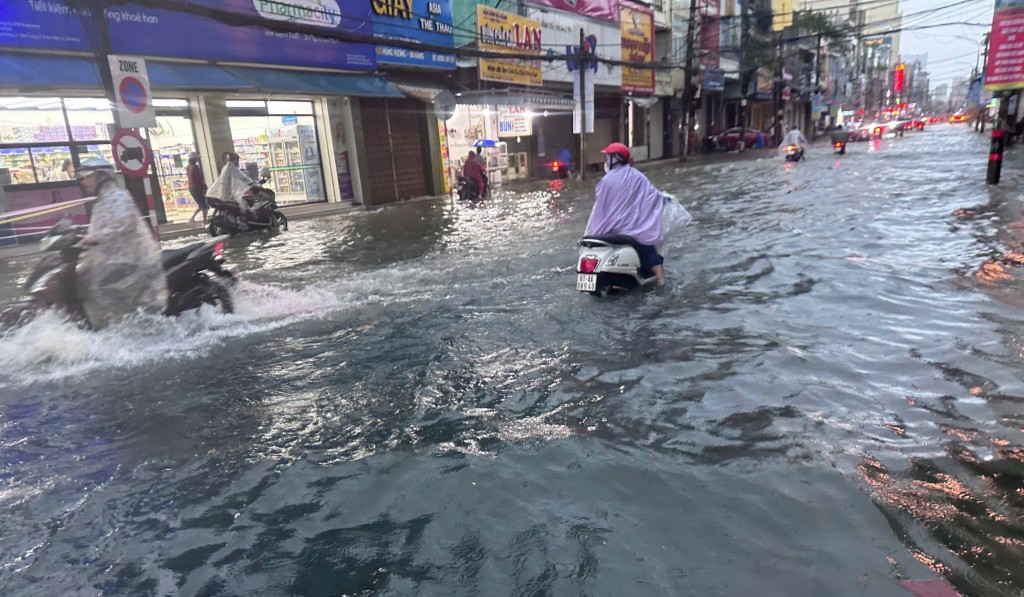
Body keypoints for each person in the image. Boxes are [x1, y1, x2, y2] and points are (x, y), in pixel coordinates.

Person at [74, 157, 168, 329]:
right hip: (113, 263)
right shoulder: (100, 203)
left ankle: (124, 328)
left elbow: (123, 224)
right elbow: (98, 228)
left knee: (103, 294)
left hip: (131, 263)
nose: (83, 181)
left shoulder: (119, 197)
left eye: (87, 176)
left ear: (101, 176)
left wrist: (95, 238)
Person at [585, 142, 668, 284]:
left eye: (607, 157)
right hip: (631, 230)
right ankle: (661, 279)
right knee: (647, 245)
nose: (605, 161)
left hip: (608, 230)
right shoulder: (637, 177)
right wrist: (665, 199)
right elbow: (652, 196)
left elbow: (600, 208)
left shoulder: (604, 181)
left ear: (614, 159)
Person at [186, 152, 208, 224]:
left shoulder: (188, 167)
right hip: (197, 187)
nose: (198, 159)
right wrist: (204, 186)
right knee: (204, 205)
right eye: (197, 158)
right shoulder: (195, 167)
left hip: (191, 187)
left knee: (200, 204)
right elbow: (199, 178)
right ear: (194, 159)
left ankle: (192, 218)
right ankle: (204, 221)